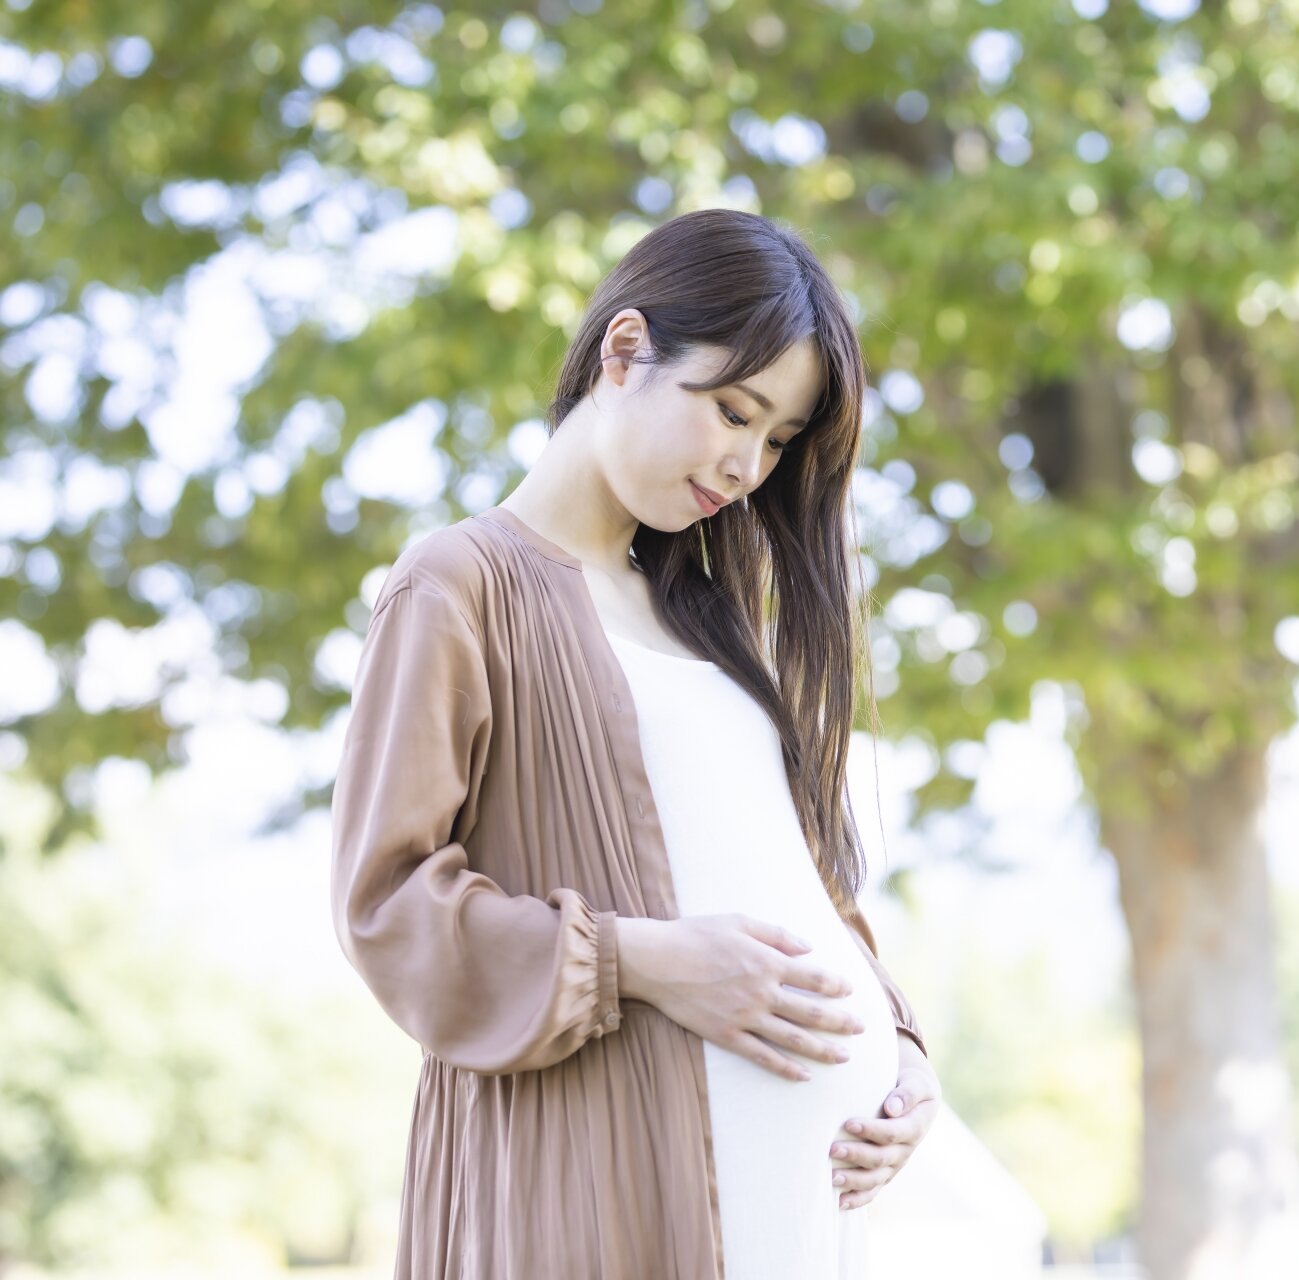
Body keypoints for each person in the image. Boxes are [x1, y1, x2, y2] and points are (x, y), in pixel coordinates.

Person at [330, 207, 941, 1278]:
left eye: (778, 439)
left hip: (798, 1212)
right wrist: (644, 960)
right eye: (734, 410)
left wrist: (897, 1045)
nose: (749, 461)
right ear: (625, 350)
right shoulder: (461, 583)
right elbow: (387, 906)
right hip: (596, 1190)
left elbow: (792, 873)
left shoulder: (707, 613)